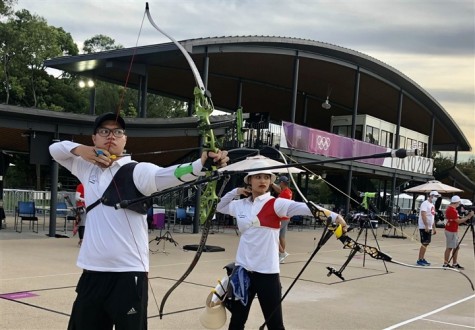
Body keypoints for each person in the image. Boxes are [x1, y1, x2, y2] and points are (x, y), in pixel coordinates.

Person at [49, 112, 228, 330]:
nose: (111, 136)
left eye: (118, 132)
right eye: (104, 131)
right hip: (92, 272)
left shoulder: (137, 171)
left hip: (128, 274)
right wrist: (81, 150)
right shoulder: (86, 168)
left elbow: (167, 175)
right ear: (94, 138)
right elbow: (55, 149)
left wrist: (200, 165)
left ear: (125, 139)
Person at [216, 161, 347, 330]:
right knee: (236, 323)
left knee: (275, 324)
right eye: (257, 177)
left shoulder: (276, 204)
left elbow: (305, 208)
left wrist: (336, 217)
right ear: (249, 181)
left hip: (267, 273)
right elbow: (220, 206)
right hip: (243, 272)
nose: (262, 180)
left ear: (271, 181)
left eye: (266, 177)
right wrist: (236, 191)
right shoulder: (240, 205)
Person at [443, 195, 474, 269]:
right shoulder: (451, 210)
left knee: (456, 247)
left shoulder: (453, 209)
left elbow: (457, 219)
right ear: (456, 202)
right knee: (450, 247)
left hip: (453, 230)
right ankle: (446, 263)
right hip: (451, 230)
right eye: (459, 202)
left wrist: (465, 218)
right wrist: (468, 217)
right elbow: (458, 221)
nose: (459, 204)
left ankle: (454, 263)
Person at [271, 175, 293, 263]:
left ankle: (282, 253)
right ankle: (282, 255)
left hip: (282, 217)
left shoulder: (284, 193)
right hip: (286, 217)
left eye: (279, 182)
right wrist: (272, 184)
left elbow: (276, 203)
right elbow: (279, 190)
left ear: (282, 183)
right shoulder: (288, 191)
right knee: (282, 236)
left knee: (274, 235)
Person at [416, 190, 440, 266]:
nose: (436, 198)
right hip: (424, 226)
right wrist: (426, 225)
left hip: (429, 226)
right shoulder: (425, 203)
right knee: (424, 243)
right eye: (435, 196)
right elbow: (423, 215)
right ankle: (420, 259)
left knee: (426, 243)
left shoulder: (432, 204)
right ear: (431, 195)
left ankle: (422, 258)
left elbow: (432, 216)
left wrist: (434, 227)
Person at [75, 183, 86, 247]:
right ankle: (81, 240)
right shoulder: (81, 186)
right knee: (82, 224)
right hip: (82, 207)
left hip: (89, 207)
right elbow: (77, 197)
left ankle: (83, 240)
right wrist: (85, 200)